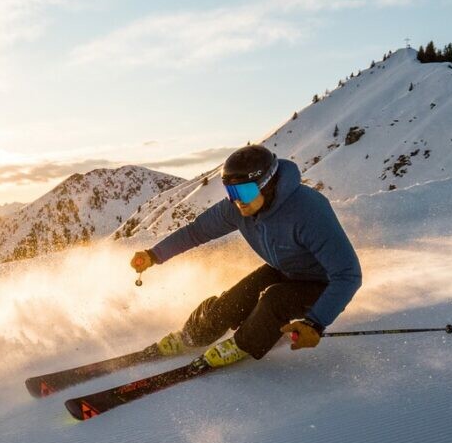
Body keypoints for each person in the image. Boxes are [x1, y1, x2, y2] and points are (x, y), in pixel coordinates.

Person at [130, 143, 361, 367]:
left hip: (323, 284)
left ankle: (243, 344)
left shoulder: (308, 210)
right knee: (236, 297)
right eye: (231, 191)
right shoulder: (237, 208)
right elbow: (196, 232)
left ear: (268, 185)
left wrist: (315, 323)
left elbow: (348, 275)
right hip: (286, 269)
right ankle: (192, 336)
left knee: (274, 299)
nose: (238, 199)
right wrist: (153, 254)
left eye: (246, 191)